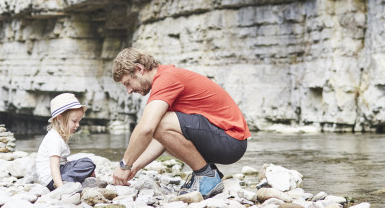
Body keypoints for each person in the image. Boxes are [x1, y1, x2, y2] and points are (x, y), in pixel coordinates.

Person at [110, 48, 251, 198]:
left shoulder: (166, 78)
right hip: (226, 141)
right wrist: (134, 167)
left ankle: (206, 176)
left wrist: (124, 165)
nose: (129, 90)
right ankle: (207, 172)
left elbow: (147, 128)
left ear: (139, 69)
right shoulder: (164, 78)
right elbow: (163, 139)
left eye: (128, 83)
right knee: (158, 124)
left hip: (231, 140)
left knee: (156, 122)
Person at [35, 93, 96, 191]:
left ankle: (69, 179)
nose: (77, 125)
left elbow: (63, 163)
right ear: (59, 118)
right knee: (87, 163)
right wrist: (61, 187)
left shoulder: (58, 136)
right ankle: (66, 181)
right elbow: (54, 166)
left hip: (56, 175)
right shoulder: (54, 138)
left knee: (85, 163)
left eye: (79, 121)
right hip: (52, 179)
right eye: (74, 121)